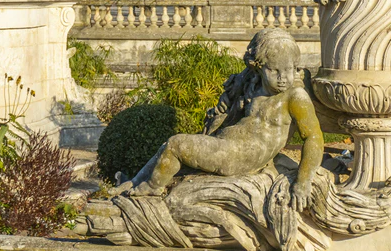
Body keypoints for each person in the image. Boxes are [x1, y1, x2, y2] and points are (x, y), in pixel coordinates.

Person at [124, 28, 323, 211]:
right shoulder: (255, 87)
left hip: (239, 157)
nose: (283, 77)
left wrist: (303, 181)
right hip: (227, 145)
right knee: (166, 146)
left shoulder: (295, 97)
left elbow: (314, 137)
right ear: (259, 67)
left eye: (289, 70)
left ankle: (152, 188)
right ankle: (134, 182)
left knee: (176, 145)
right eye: (274, 70)